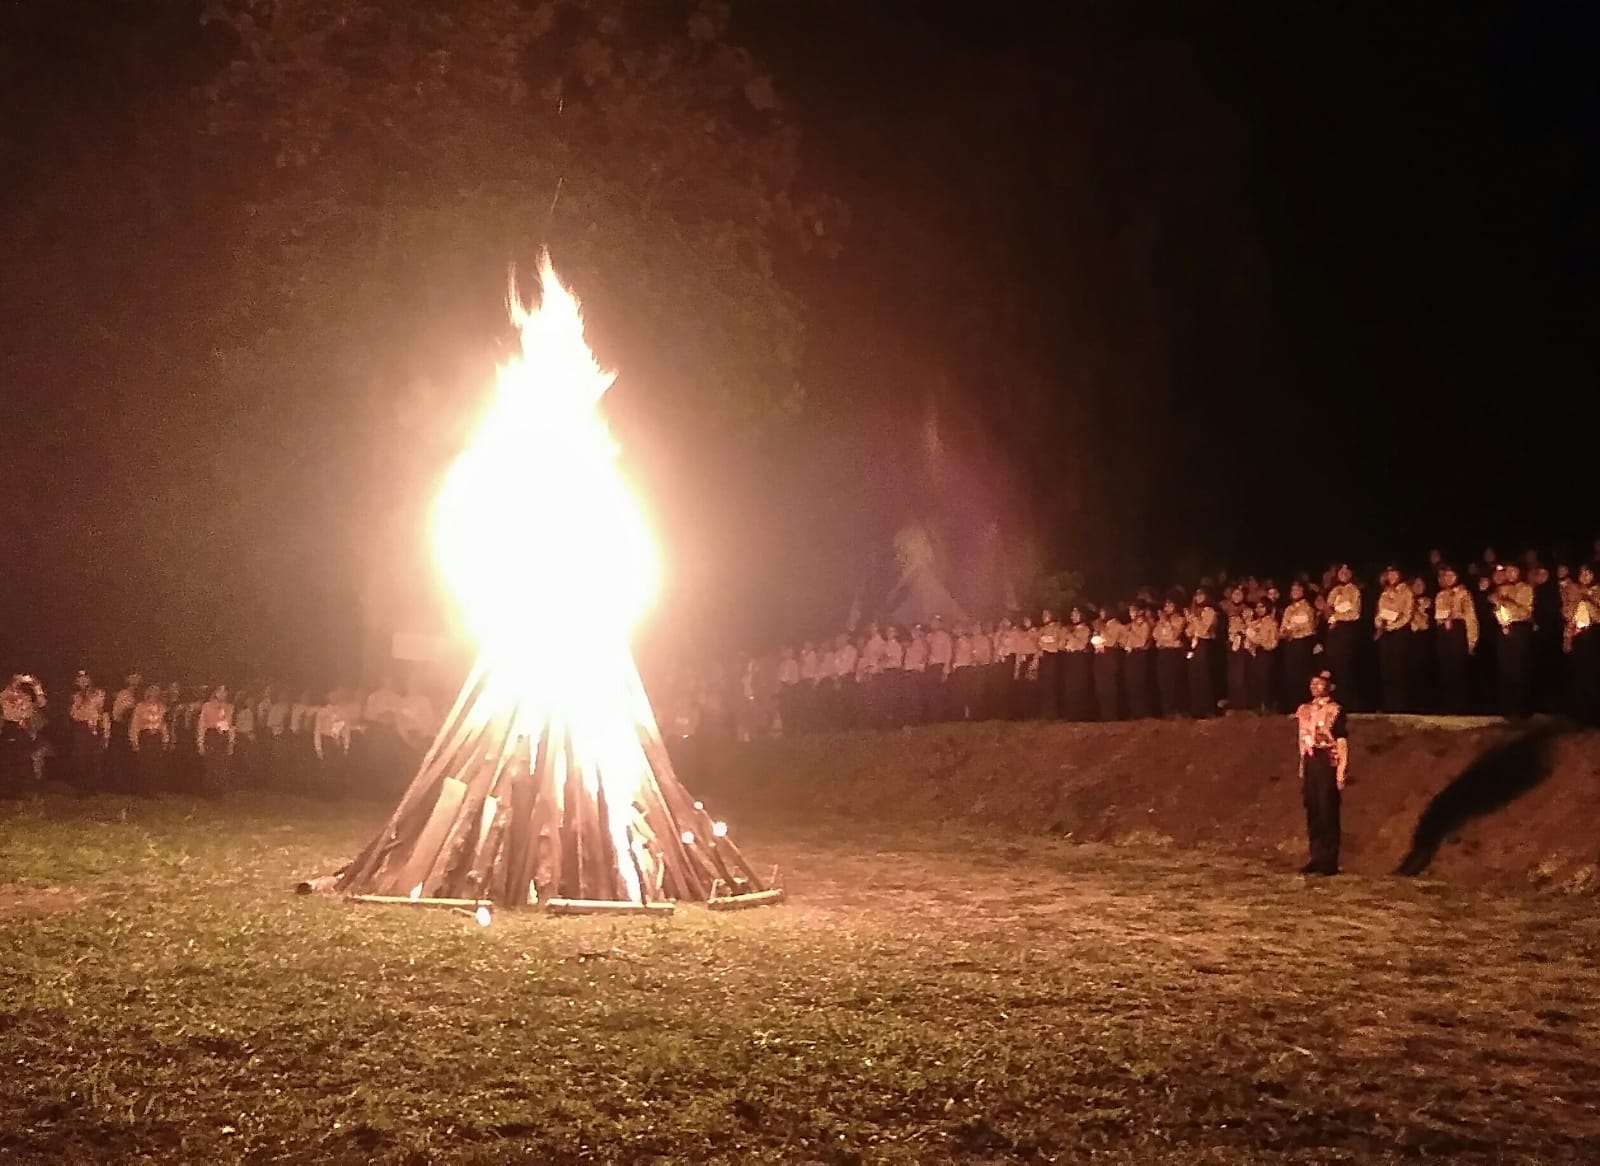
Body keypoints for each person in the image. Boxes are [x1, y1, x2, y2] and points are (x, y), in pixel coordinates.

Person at [1295, 670, 1349, 877]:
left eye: (1320, 683)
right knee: (1313, 809)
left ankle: (1329, 860)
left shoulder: (1335, 710)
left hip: (1328, 759)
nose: (1315, 686)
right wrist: (1302, 764)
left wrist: (1341, 770)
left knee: (1328, 809)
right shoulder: (1304, 709)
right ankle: (1316, 856)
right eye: (1313, 683)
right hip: (1310, 759)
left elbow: (1342, 740)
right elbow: (1302, 739)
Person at [1432, 565, 1478, 713]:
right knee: (1445, 669)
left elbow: (1471, 619)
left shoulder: (1464, 594)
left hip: (1458, 631)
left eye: (1451, 575)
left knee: (1458, 670)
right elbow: (1438, 615)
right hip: (1443, 632)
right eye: (1445, 576)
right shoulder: (1440, 595)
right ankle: (1447, 706)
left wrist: (1472, 641)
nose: (1448, 578)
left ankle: (1460, 707)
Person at [1491, 563, 1535, 717]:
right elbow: (1499, 608)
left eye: (1513, 570)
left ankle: (1522, 709)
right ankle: (1507, 708)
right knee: (1505, 669)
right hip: (1504, 628)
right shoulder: (1503, 588)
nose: (1509, 574)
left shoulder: (1525, 589)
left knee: (1519, 669)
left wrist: (1504, 600)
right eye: (1507, 571)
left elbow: (1525, 612)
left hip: (1520, 629)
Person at [1373, 564, 1414, 713]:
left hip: (1399, 632)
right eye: (1389, 574)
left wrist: (1394, 625)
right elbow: (1379, 612)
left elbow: (1407, 614)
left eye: (1394, 573)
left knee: (1399, 670)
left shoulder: (1406, 592)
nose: (1391, 577)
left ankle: (1400, 707)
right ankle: (1388, 705)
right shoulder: (1384, 593)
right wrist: (1379, 623)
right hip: (1385, 633)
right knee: (1386, 669)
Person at [1563, 565, 1599, 724]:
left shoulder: (1597, 592)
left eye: (1588, 573)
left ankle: (1594, 714)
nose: (1584, 576)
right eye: (1582, 573)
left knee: (1593, 675)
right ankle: (1580, 713)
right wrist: (1567, 639)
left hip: (1594, 636)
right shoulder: (1574, 592)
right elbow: (1568, 615)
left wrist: (1588, 600)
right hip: (1578, 636)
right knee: (1579, 674)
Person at [1324, 564, 1363, 709]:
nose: (1344, 573)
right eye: (1341, 571)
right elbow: (1327, 609)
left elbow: (1355, 613)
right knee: (1333, 666)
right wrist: (1329, 616)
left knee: (1346, 666)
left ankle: (1349, 703)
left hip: (1347, 630)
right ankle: (1335, 702)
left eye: (1347, 571)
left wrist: (1337, 617)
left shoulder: (1354, 590)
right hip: (1334, 631)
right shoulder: (1334, 590)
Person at [0, 675, 44, 798]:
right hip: (10, 727)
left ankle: (25, 789)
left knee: (24, 759)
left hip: (24, 728)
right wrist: (15, 682)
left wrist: (36, 686)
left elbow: (41, 703)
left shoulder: (27, 697)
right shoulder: (6, 695)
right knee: (8, 759)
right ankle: (9, 790)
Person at [1278, 580, 1319, 709]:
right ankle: (1293, 706)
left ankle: (1305, 705)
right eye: (1293, 590)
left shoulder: (1308, 608)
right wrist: (1287, 633)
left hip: (1303, 644)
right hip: (1290, 644)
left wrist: (1294, 631)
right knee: (1291, 675)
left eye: (1298, 590)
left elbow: (1309, 628)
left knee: (1302, 673)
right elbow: (1282, 628)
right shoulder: (1288, 609)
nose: (1295, 592)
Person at [67, 670, 107, 791]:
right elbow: (74, 714)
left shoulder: (98, 693)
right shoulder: (75, 696)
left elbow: (101, 709)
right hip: (81, 727)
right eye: (80, 679)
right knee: (81, 757)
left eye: (86, 678)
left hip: (95, 726)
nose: (83, 681)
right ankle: (82, 786)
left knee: (95, 757)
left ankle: (93, 786)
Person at [1184, 587, 1219, 718]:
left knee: (1204, 676)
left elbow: (1204, 630)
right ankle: (1196, 709)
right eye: (1196, 595)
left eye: (1201, 595)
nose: (1198, 597)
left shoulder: (1209, 611)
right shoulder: (1195, 612)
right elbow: (1188, 631)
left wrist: (1193, 619)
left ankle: (1208, 708)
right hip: (1195, 644)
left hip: (1205, 644)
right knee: (1194, 676)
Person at [129, 685, 169, 796]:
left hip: (156, 736)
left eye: (156, 692)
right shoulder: (140, 706)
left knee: (156, 763)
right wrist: (134, 740)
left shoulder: (161, 707)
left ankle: (155, 789)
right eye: (152, 692)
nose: (154, 694)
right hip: (145, 736)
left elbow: (163, 723)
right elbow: (135, 724)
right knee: (145, 763)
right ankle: (144, 790)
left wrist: (166, 738)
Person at [197, 685, 236, 796]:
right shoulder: (207, 706)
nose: (223, 694)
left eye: (225, 692)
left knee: (222, 764)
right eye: (220, 691)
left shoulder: (229, 707)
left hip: (222, 735)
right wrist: (201, 742)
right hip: (211, 735)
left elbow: (230, 725)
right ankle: (209, 791)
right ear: (215, 693)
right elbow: (202, 724)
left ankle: (220, 790)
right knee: (211, 764)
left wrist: (231, 742)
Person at [1152, 597, 1187, 717]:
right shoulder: (1160, 622)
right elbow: (1156, 636)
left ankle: (1178, 709)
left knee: (1175, 681)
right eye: (1166, 605)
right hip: (1163, 653)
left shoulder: (1180, 620)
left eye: (1170, 605)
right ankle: (1167, 710)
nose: (1167, 608)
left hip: (1174, 652)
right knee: (1164, 682)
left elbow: (1174, 635)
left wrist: (1166, 623)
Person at [1244, 598, 1280, 712]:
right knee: (1256, 678)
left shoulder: (1271, 622)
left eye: (1262, 607)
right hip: (1256, 653)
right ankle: (1258, 703)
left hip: (1267, 652)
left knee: (1266, 679)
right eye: (1258, 607)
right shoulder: (1255, 623)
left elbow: (1269, 640)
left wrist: (1253, 636)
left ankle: (1267, 704)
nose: (1259, 610)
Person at [1121, 599, 1155, 719]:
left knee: (1140, 684)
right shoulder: (1130, 626)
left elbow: (1141, 641)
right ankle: (1134, 712)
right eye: (1130, 610)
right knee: (1131, 684)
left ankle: (1143, 712)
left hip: (1140, 655)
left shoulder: (1144, 624)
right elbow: (1123, 641)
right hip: (1131, 655)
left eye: (1133, 610)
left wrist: (1131, 632)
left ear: (1140, 612)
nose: (1131, 613)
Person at [1090, 605, 1124, 721]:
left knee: (1110, 685)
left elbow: (1111, 641)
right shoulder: (1101, 626)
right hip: (1100, 655)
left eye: (1103, 612)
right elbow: (1094, 639)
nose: (1101, 615)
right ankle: (1103, 714)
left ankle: (1112, 715)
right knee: (1100, 685)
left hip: (1110, 656)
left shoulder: (1117, 625)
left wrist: (1102, 629)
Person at [1225, 585, 1251, 713]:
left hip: (1242, 644)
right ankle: (1233, 702)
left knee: (1240, 674)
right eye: (1234, 594)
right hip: (1230, 644)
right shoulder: (1228, 610)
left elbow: (1249, 628)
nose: (1236, 596)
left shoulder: (1247, 611)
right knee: (1232, 675)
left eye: (1239, 594)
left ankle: (1242, 704)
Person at [1035, 609, 1064, 720]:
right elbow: (1037, 640)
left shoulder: (1057, 628)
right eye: (1043, 614)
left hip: (1053, 657)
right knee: (1044, 684)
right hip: (1044, 657)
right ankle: (1045, 712)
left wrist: (1046, 643)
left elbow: (1058, 644)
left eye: (1046, 614)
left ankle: (1053, 713)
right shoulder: (1042, 629)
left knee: (1052, 685)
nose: (1043, 616)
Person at [926, 614, 954, 721]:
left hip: (939, 666)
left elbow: (948, 653)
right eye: (932, 622)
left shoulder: (944, 636)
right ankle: (933, 717)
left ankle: (940, 717)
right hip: (930, 666)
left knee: (939, 693)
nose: (934, 624)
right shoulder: (929, 636)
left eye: (936, 622)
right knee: (931, 693)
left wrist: (945, 671)